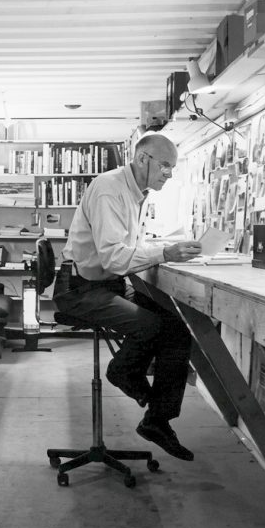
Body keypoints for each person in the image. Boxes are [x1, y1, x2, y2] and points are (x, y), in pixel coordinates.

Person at [53, 133, 202, 461]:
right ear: (142, 159)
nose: (168, 174)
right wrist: (165, 252)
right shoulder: (110, 190)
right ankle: (122, 372)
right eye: (165, 166)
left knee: (176, 327)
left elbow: (127, 249)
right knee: (151, 326)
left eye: (172, 168)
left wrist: (169, 249)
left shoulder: (138, 193)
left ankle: (157, 420)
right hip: (79, 289)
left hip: (106, 284)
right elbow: (114, 258)